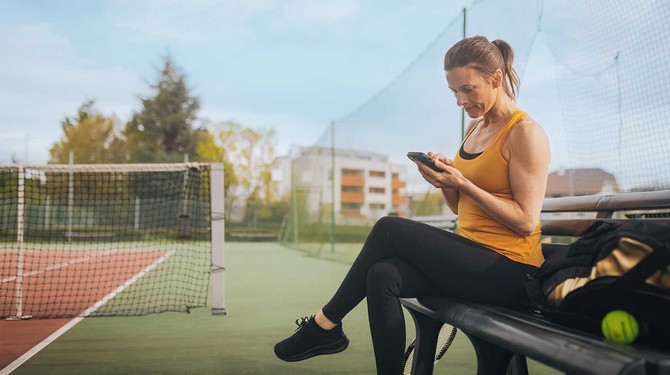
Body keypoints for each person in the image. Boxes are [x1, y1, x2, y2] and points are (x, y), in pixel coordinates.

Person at [274, 35, 551, 374]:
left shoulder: (524, 132)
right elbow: (459, 208)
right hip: (471, 258)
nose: (460, 101)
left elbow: (525, 221)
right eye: (454, 92)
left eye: (468, 89)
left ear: (496, 78)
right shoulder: (475, 127)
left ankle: (324, 326)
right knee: (382, 274)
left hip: (510, 270)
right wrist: (443, 180)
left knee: (389, 228)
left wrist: (463, 182)